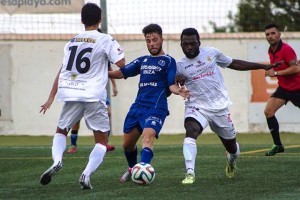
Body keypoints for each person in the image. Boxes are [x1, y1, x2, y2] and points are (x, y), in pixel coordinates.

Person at [176, 28, 281, 184]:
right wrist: (178, 82)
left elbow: (234, 63)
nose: (189, 47)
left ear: (199, 42)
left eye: (193, 43)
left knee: (232, 147)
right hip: (197, 106)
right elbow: (171, 85)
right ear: (181, 44)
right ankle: (190, 173)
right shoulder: (179, 65)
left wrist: (262, 66)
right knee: (191, 131)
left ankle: (231, 161)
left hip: (220, 108)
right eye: (185, 44)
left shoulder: (211, 53)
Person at [39, 3, 125, 190]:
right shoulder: (105, 39)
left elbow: (62, 71)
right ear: (100, 19)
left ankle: (57, 161)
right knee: (102, 142)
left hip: (71, 92)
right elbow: (122, 63)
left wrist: (50, 98)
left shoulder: (71, 42)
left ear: (81, 20)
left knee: (61, 131)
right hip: (94, 95)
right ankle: (86, 174)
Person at [107, 23, 190, 183]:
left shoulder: (168, 61)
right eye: (148, 40)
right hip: (138, 107)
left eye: (154, 40)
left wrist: (179, 91)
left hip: (156, 107)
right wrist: (101, 72)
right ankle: (133, 169)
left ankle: (143, 169)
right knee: (127, 145)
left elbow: (171, 84)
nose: (151, 43)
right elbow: (121, 73)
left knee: (147, 137)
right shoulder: (142, 60)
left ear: (161, 40)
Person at [264, 23, 300, 156]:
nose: (270, 36)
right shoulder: (270, 50)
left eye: (273, 33)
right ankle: (278, 145)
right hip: (284, 89)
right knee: (268, 111)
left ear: (279, 34)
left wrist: (276, 73)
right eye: (267, 34)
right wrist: (272, 69)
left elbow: (296, 68)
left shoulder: (286, 49)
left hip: (298, 88)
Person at [67, 62, 118, 153]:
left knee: (107, 113)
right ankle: (73, 145)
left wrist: (114, 85)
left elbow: (109, 69)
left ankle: (105, 143)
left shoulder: (103, 53)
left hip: (99, 92)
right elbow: (73, 72)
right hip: (83, 91)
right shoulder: (82, 56)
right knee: (76, 118)